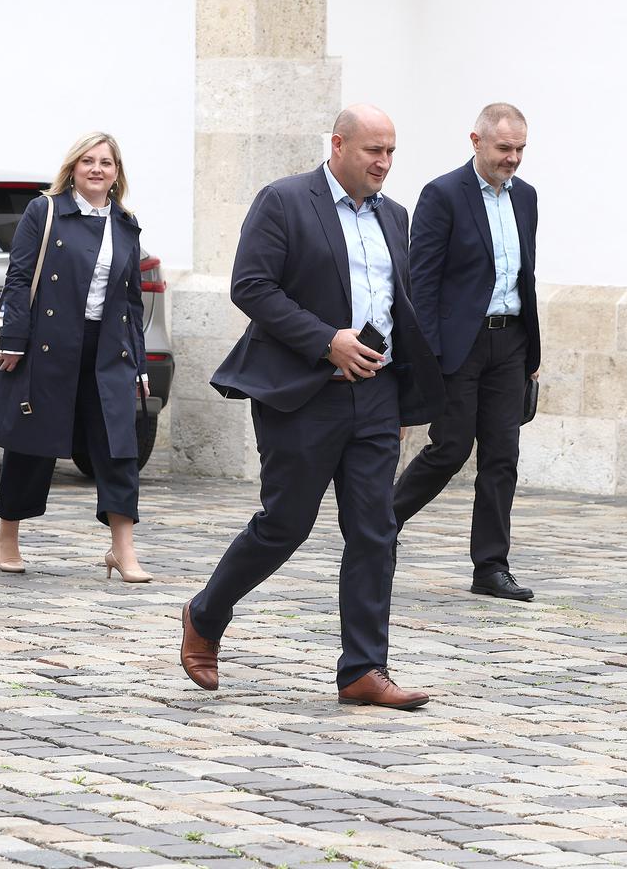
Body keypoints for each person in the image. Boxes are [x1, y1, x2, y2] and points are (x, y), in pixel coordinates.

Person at [180, 104, 445, 708]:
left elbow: (398, 304)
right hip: (302, 393)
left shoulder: (394, 217)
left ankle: (363, 668)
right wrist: (327, 341)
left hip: (377, 392)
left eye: (391, 152)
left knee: (376, 529)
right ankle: (204, 615)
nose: (384, 163)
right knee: (285, 523)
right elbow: (251, 285)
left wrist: (402, 392)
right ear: (339, 144)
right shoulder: (284, 200)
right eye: (374, 151)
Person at [0, 133, 152, 582]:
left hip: (108, 347)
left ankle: (123, 548)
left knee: (118, 447)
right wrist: (14, 340)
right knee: (31, 442)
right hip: (50, 342)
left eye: (106, 163)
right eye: (88, 161)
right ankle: (8, 534)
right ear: (73, 168)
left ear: (117, 173)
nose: (97, 169)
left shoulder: (126, 223)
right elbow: (19, 278)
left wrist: (139, 362)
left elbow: (132, 299)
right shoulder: (47, 210)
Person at [392, 102, 541, 601]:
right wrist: (428, 355)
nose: (513, 158)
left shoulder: (527, 198)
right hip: (460, 346)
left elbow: (527, 276)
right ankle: (382, 524)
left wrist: (533, 347)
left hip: (512, 341)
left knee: (503, 456)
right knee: (450, 449)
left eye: (520, 148)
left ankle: (491, 567)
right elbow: (423, 280)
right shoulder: (442, 195)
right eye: (504, 148)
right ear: (475, 142)